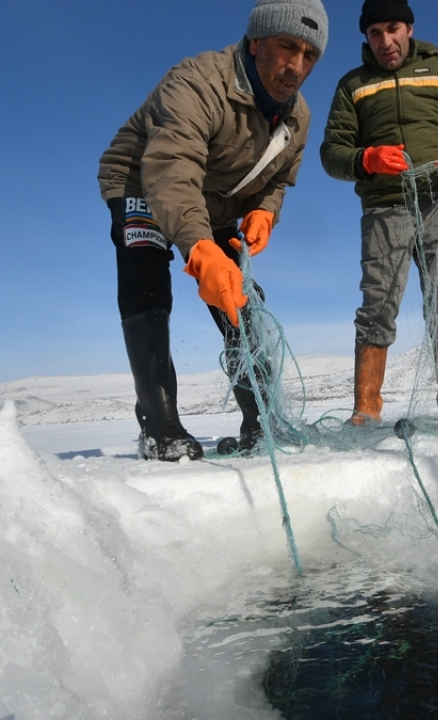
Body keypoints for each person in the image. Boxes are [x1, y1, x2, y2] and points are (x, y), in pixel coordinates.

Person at [98, 0, 328, 461]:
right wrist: (199, 247)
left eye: (309, 54)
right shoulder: (197, 81)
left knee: (241, 299)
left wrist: (265, 211)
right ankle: (160, 427)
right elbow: (171, 166)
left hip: (214, 201)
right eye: (287, 47)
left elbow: (280, 179)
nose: (297, 65)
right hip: (142, 178)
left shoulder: (297, 116)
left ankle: (259, 422)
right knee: (147, 278)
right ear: (256, 41)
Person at [320, 0, 438, 427]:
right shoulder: (352, 85)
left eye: (392, 28)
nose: (385, 41)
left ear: (409, 28)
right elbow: (331, 153)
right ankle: (366, 410)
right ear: (365, 37)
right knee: (377, 306)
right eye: (375, 32)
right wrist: (367, 159)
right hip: (383, 207)